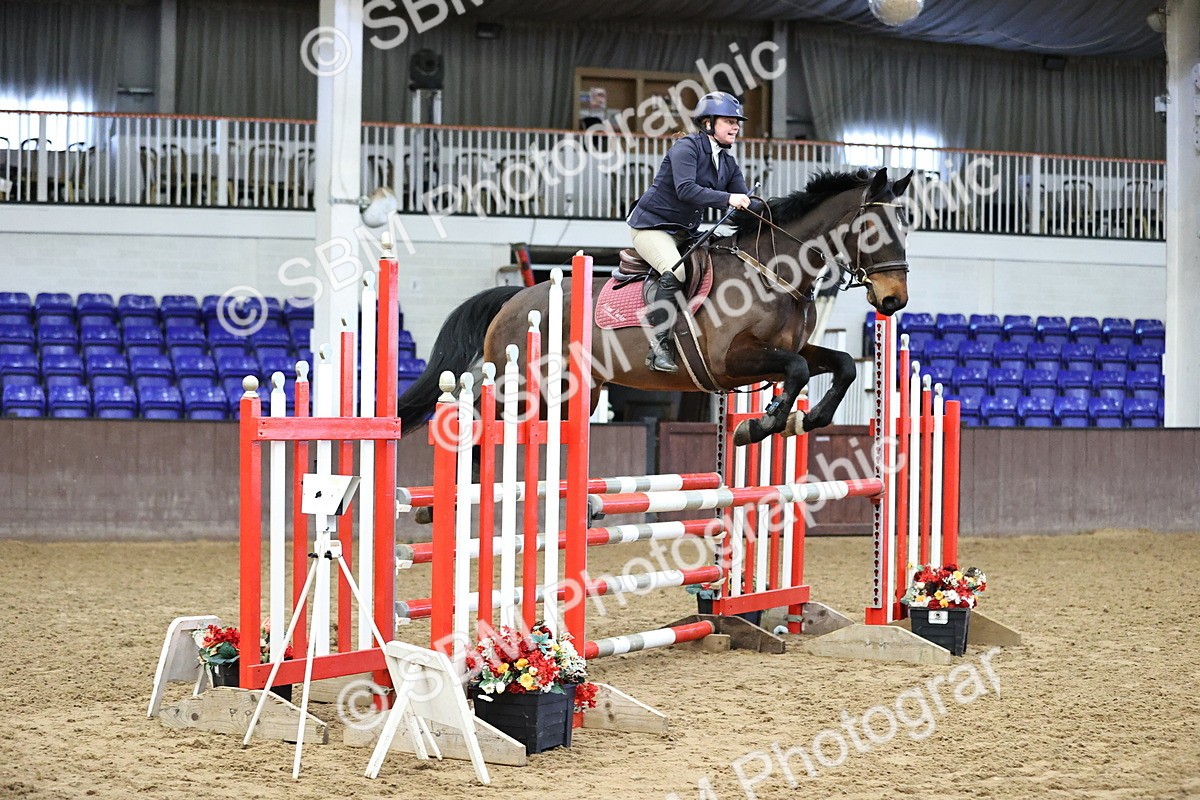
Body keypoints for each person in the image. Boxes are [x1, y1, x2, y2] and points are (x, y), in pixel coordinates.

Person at [626, 91, 754, 373]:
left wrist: (771, 210)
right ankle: (658, 347)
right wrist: (727, 199)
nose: (735, 127)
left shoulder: (728, 162)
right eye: (729, 121)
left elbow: (744, 198)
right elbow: (686, 189)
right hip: (652, 227)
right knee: (676, 271)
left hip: (685, 232)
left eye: (737, 122)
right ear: (708, 123)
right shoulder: (686, 148)